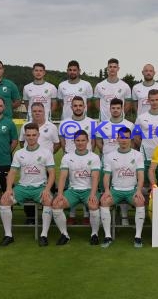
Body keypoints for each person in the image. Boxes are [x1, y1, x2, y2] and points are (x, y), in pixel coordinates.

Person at [0, 123, 56, 247]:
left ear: (38, 135)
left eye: (34, 135)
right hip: (22, 188)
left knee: (48, 200)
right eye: (28, 135)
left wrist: (47, 189)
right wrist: (8, 189)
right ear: (25, 136)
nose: (31, 137)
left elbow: (52, 174)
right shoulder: (19, 153)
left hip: (40, 188)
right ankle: (8, 235)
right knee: (4, 201)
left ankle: (44, 235)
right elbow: (12, 172)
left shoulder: (46, 153)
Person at [51, 130, 101, 245]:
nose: (80, 143)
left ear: (88, 141)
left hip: (89, 190)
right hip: (73, 191)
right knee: (56, 204)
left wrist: (93, 194)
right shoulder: (67, 157)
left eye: (83, 140)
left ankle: (94, 234)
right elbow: (63, 177)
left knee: (93, 204)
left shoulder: (94, 157)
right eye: (78, 140)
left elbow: (95, 178)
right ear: (74, 142)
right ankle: (64, 234)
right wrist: (59, 194)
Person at [100, 127, 146, 248]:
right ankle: (107, 236)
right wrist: (107, 190)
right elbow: (106, 176)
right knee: (104, 201)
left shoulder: (138, 155)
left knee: (140, 201)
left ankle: (138, 237)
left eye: (126, 137)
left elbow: (141, 176)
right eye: (121, 137)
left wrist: (139, 191)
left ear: (130, 139)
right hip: (115, 190)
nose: (124, 140)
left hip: (132, 190)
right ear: (117, 139)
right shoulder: (110, 156)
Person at [94, 98, 134, 225]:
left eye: (118, 108)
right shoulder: (102, 125)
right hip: (106, 163)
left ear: (122, 109)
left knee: (122, 188)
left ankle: (124, 216)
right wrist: (108, 153)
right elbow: (99, 143)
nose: (115, 110)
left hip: (124, 163)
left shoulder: (129, 125)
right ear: (109, 109)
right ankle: (104, 216)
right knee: (104, 189)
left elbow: (131, 143)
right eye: (113, 108)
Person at [59, 96, 96, 224]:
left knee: (87, 185)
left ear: (84, 107)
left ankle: (87, 214)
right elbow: (62, 140)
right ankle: (72, 215)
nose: (78, 108)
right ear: (71, 107)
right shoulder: (64, 122)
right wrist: (67, 153)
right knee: (71, 187)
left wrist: (89, 154)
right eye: (75, 105)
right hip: (70, 159)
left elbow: (94, 141)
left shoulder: (92, 122)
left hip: (88, 159)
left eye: (80, 105)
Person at [134, 89, 158, 187]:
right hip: (146, 156)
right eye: (152, 100)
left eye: (156, 100)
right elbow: (136, 137)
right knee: (146, 186)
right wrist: (144, 146)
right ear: (148, 101)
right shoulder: (141, 118)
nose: (154, 102)